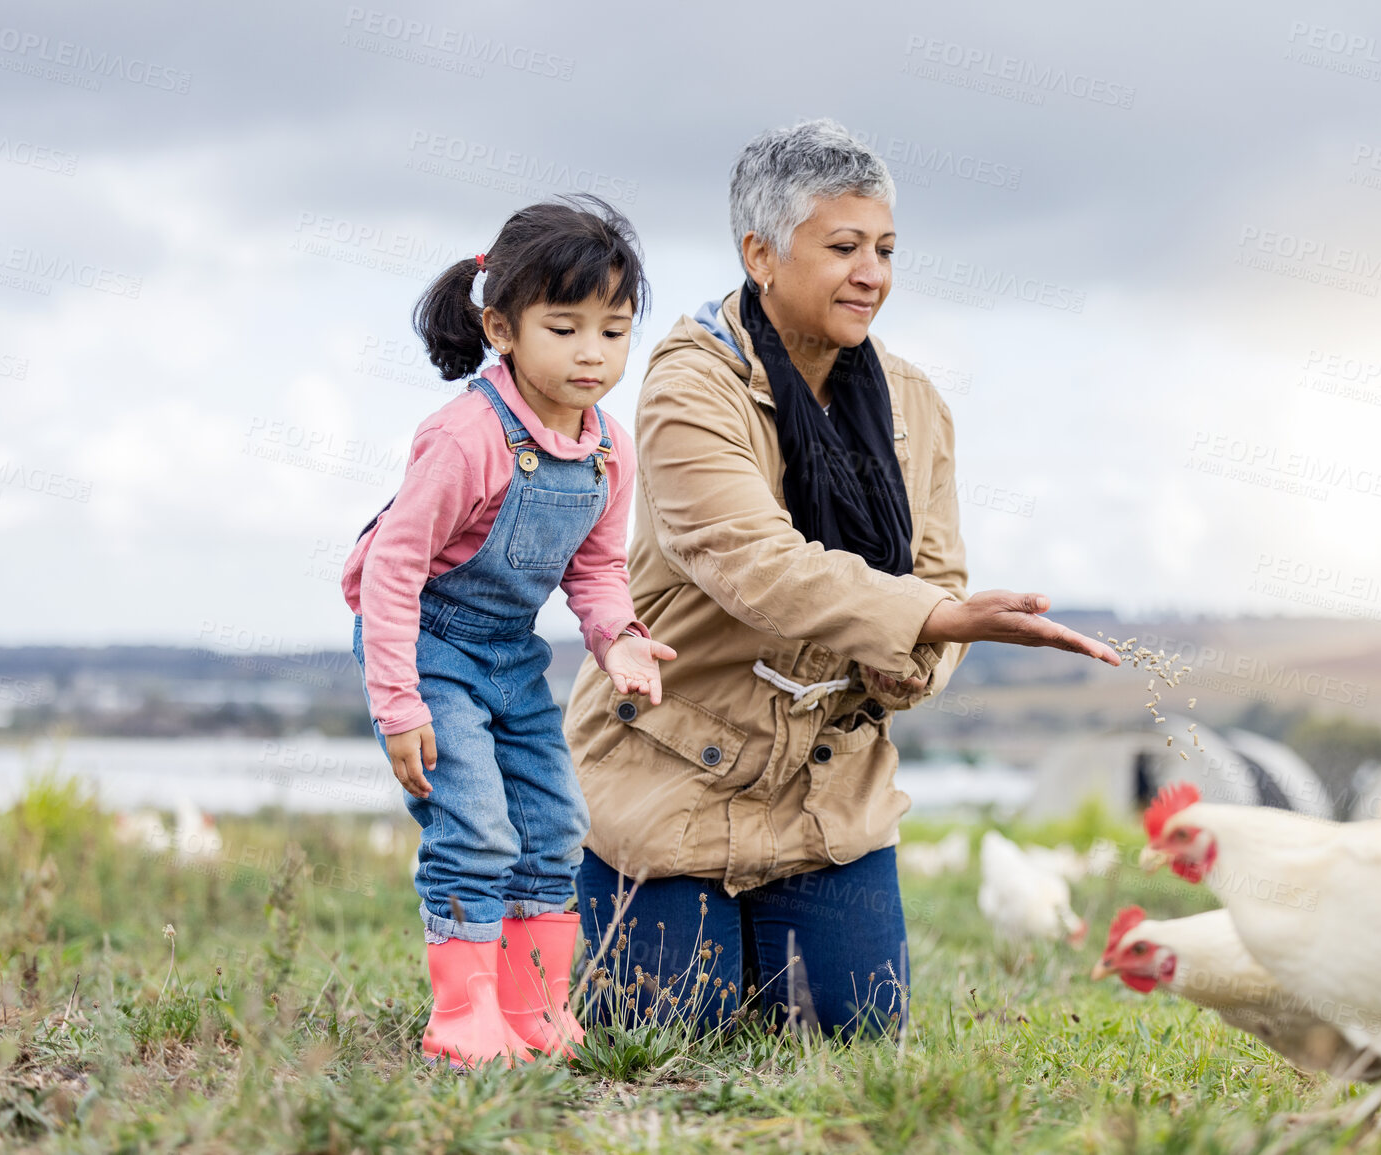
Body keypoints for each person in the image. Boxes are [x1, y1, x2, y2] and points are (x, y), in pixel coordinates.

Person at [564, 121, 1118, 1039]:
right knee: (658, 1034)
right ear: (761, 253)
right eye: (844, 247)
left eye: (886, 249)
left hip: (830, 795)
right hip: (673, 773)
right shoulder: (689, 384)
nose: (873, 273)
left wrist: (916, 661)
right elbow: (752, 561)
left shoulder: (913, 403)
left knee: (856, 1037)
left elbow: (940, 575)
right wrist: (934, 616)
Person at [342, 197, 676, 1067]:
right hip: (425, 645)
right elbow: (391, 571)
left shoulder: (609, 447)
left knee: (555, 821)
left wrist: (620, 639)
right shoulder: (466, 439)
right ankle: (463, 1017)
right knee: (477, 826)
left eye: (614, 329)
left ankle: (534, 1009)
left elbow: (596, 573)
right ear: (501, 326)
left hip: (509, 654)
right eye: (564, 327)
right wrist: (400, 701)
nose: (592, 353)